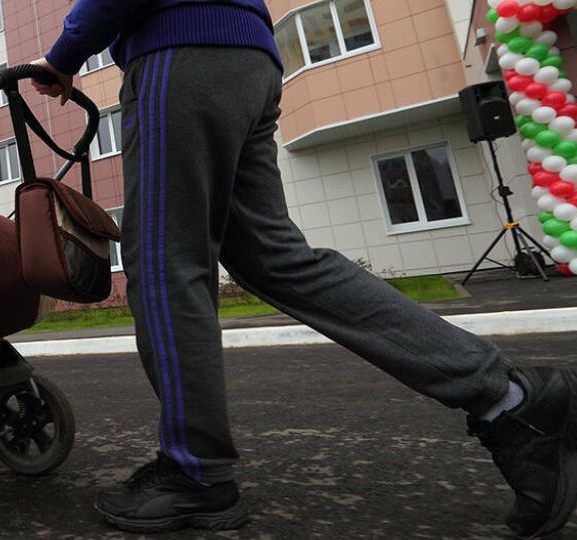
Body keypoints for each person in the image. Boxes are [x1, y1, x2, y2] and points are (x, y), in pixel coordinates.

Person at [30, 1, 577, 537]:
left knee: (165, 266)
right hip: (249, 59)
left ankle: (195, 471)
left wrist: (64, 55)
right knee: (274, 258)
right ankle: (511, 399)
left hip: (181, 51)